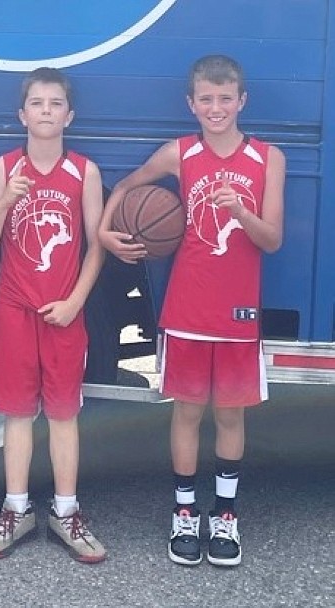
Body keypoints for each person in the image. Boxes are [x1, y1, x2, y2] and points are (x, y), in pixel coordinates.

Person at [98, 55, 285, 567]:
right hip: (185, 309)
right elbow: (126, 187)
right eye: (207, 99)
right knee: (186, 412)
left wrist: (241, 211)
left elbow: (272, 240)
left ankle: (225, 516)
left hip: (238, 313)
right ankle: (185, 512)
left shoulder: (268, 159)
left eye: (226, 99)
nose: (216, 107)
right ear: (192, 104)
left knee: (229, 414)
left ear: (241, 101)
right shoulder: (179, 153)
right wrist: (104, 234)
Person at [0, 67, 106, 563]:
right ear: (21, 114)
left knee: (65, 412)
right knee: (17, 411)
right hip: (14, 307)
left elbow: (97, 248)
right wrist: (6, 200)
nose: (46, 111)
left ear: (69, 115)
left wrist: (75, 301)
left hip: (64, 311)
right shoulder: (4, 167)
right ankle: (16, 508)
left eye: (55, 104)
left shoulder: (84, 172)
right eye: (37, 103)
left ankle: (66, 510)